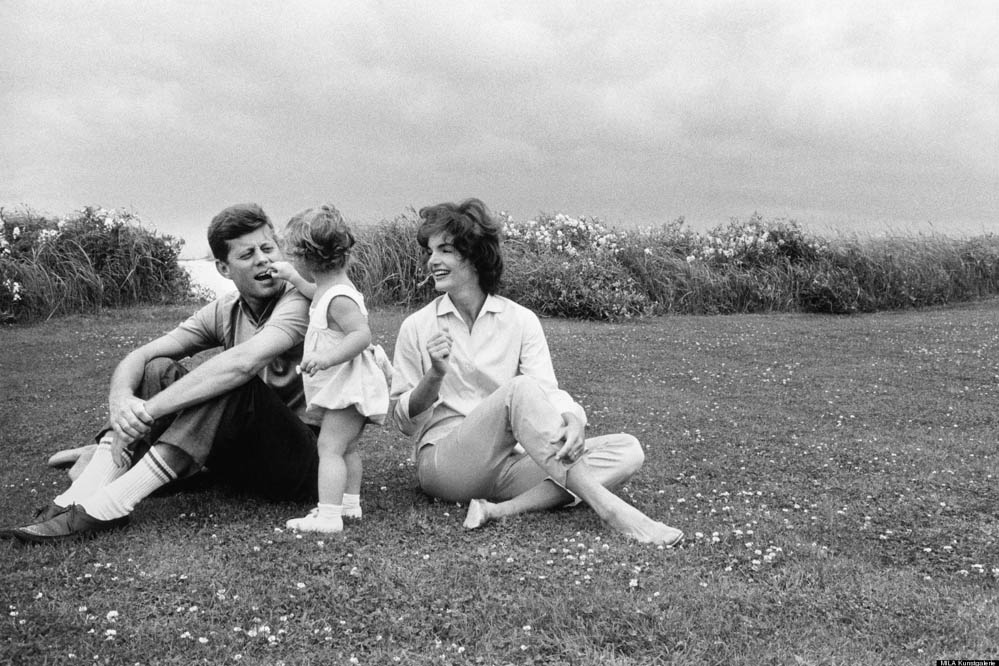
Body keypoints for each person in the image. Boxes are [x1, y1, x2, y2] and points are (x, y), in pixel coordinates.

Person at [4, 203, 321, 543]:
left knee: (232, 381)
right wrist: (121, 401)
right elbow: (140, 356)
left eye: (268, 248)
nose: (262, 259)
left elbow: (243, 363)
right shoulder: (225, 309)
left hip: (303, 465)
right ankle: (85, 488)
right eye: (247, 255)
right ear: (224, 268)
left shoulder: (300, 301)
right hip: (243, 464)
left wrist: (148, 411)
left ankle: (112, 504)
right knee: (155, 369)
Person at [390, 198, 683, 545]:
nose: (432, 260)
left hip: (510, 464)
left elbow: (546, 390)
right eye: (430, 250)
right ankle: (611, 510)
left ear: (476, 255)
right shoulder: (417, 326)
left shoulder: (520, 320)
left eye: (445, 250)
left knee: (627, 450)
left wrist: (574, 417)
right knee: (519, 390)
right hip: (447, 466)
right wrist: (434, 375)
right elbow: (404, 423)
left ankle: (499, 510)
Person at [270, 205, 391, 533]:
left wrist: (326, 358)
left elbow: (361, 334)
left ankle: (329, 516)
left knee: (329, 447)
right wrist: (292, 278)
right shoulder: (330, 289)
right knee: (347, 446)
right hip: (346, 385)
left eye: (295, 259)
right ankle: (349, 505)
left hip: (349, 384)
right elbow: (315, 294)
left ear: (307, 257)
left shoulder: (340, 297)